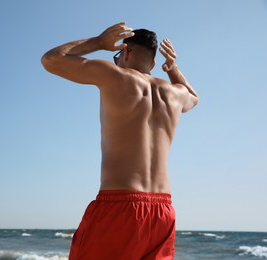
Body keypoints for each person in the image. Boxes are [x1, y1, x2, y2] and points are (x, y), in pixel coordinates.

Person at [41, 22, 198, 260]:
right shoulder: (175, 94)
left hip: (120, 206)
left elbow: (51, 60)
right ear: (154, 63)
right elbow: (194, 98)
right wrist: (173, 68)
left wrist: (98, 42)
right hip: (163, 212)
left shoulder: (115, 75)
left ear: (125, 51)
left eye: (117, 55)